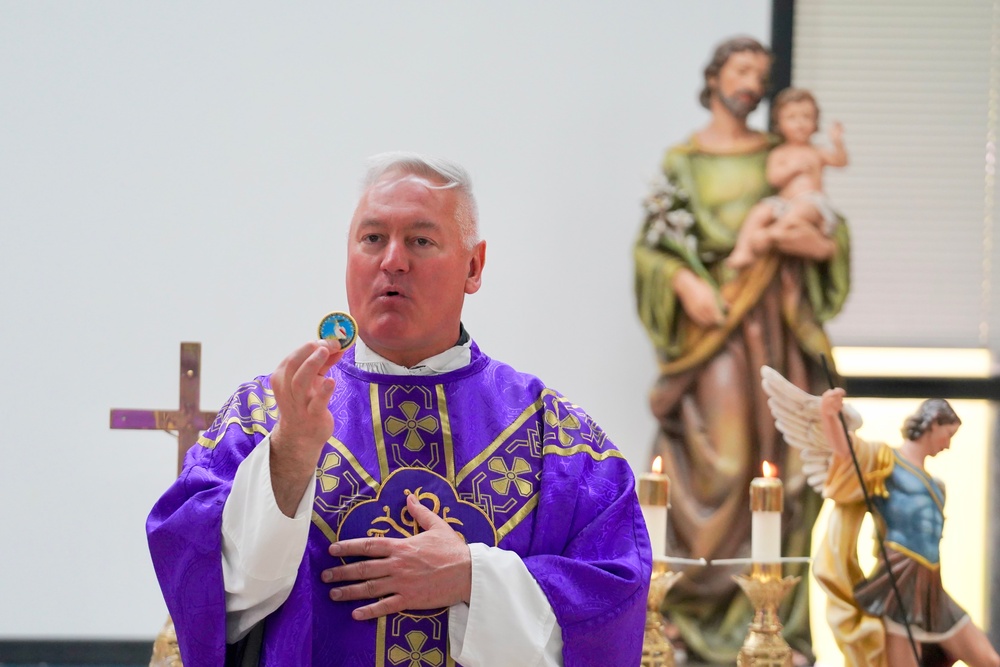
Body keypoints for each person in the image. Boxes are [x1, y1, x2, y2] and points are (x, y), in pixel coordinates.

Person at [147, 153, 651, 666]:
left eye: (420, 240)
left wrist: (472, 578)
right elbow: (210, 597)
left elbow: (612, 603)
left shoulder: (554, 438)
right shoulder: (268, 415)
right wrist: (291, 454)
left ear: (474, 266)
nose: (392, 260)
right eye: (372, 239)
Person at [633, 36, 851, 663]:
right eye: (741, 70)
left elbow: (824, 218)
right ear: (715, 77)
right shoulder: (684, 161)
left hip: (775, 322)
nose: (752, 83)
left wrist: (820, 242)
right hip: (716, 326)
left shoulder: (779, 154)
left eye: (761, 73)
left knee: (776, 461)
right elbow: (651, 249)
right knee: (723, 460)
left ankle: (769, 623)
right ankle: (684, 614)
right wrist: (681, 280)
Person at [761, 365, 1000, 667]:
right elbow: (846, 455)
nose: (949, 444)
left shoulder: (937, 485)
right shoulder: (884, 461)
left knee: (989, 659)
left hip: (932, 585)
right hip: (898, 581)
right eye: (948, 434)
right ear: (933, 423)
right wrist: (829, 417)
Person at [728, 88, 848, 270]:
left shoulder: (816, 151)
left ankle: (769, 235)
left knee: (799, 212)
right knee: (760, 211)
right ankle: (742, 250)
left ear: (815, 122)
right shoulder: (780, 153)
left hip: (812, 202)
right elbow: (773, 179)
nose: (799, 124)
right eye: (791, 118)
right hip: (784, 203)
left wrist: (837, 142)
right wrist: (792, 169)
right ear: (779, 123)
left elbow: (840, 162)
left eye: (806, 117)